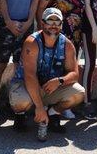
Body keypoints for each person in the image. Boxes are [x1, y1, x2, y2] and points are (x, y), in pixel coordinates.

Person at [9, 8, 85, 142]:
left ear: (61, 25)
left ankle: (53, 113)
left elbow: (74, 74)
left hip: (51, 87)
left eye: (57, 21)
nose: (54, 25)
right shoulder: (32, 43)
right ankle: (20, 115)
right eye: (50, 20)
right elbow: (30, 76)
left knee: (78, 92)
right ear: (42, 23)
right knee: (19, 100)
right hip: (28, 85)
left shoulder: (67, 45)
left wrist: (60, 81)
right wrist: (38, 107)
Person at [37, 0, 85, 120]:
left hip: (74, 38)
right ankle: (45, 103)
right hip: (53, 36)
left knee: (69, 69)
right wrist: (41, 32)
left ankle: (63, 105)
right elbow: (40, 8)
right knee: (50, 69)